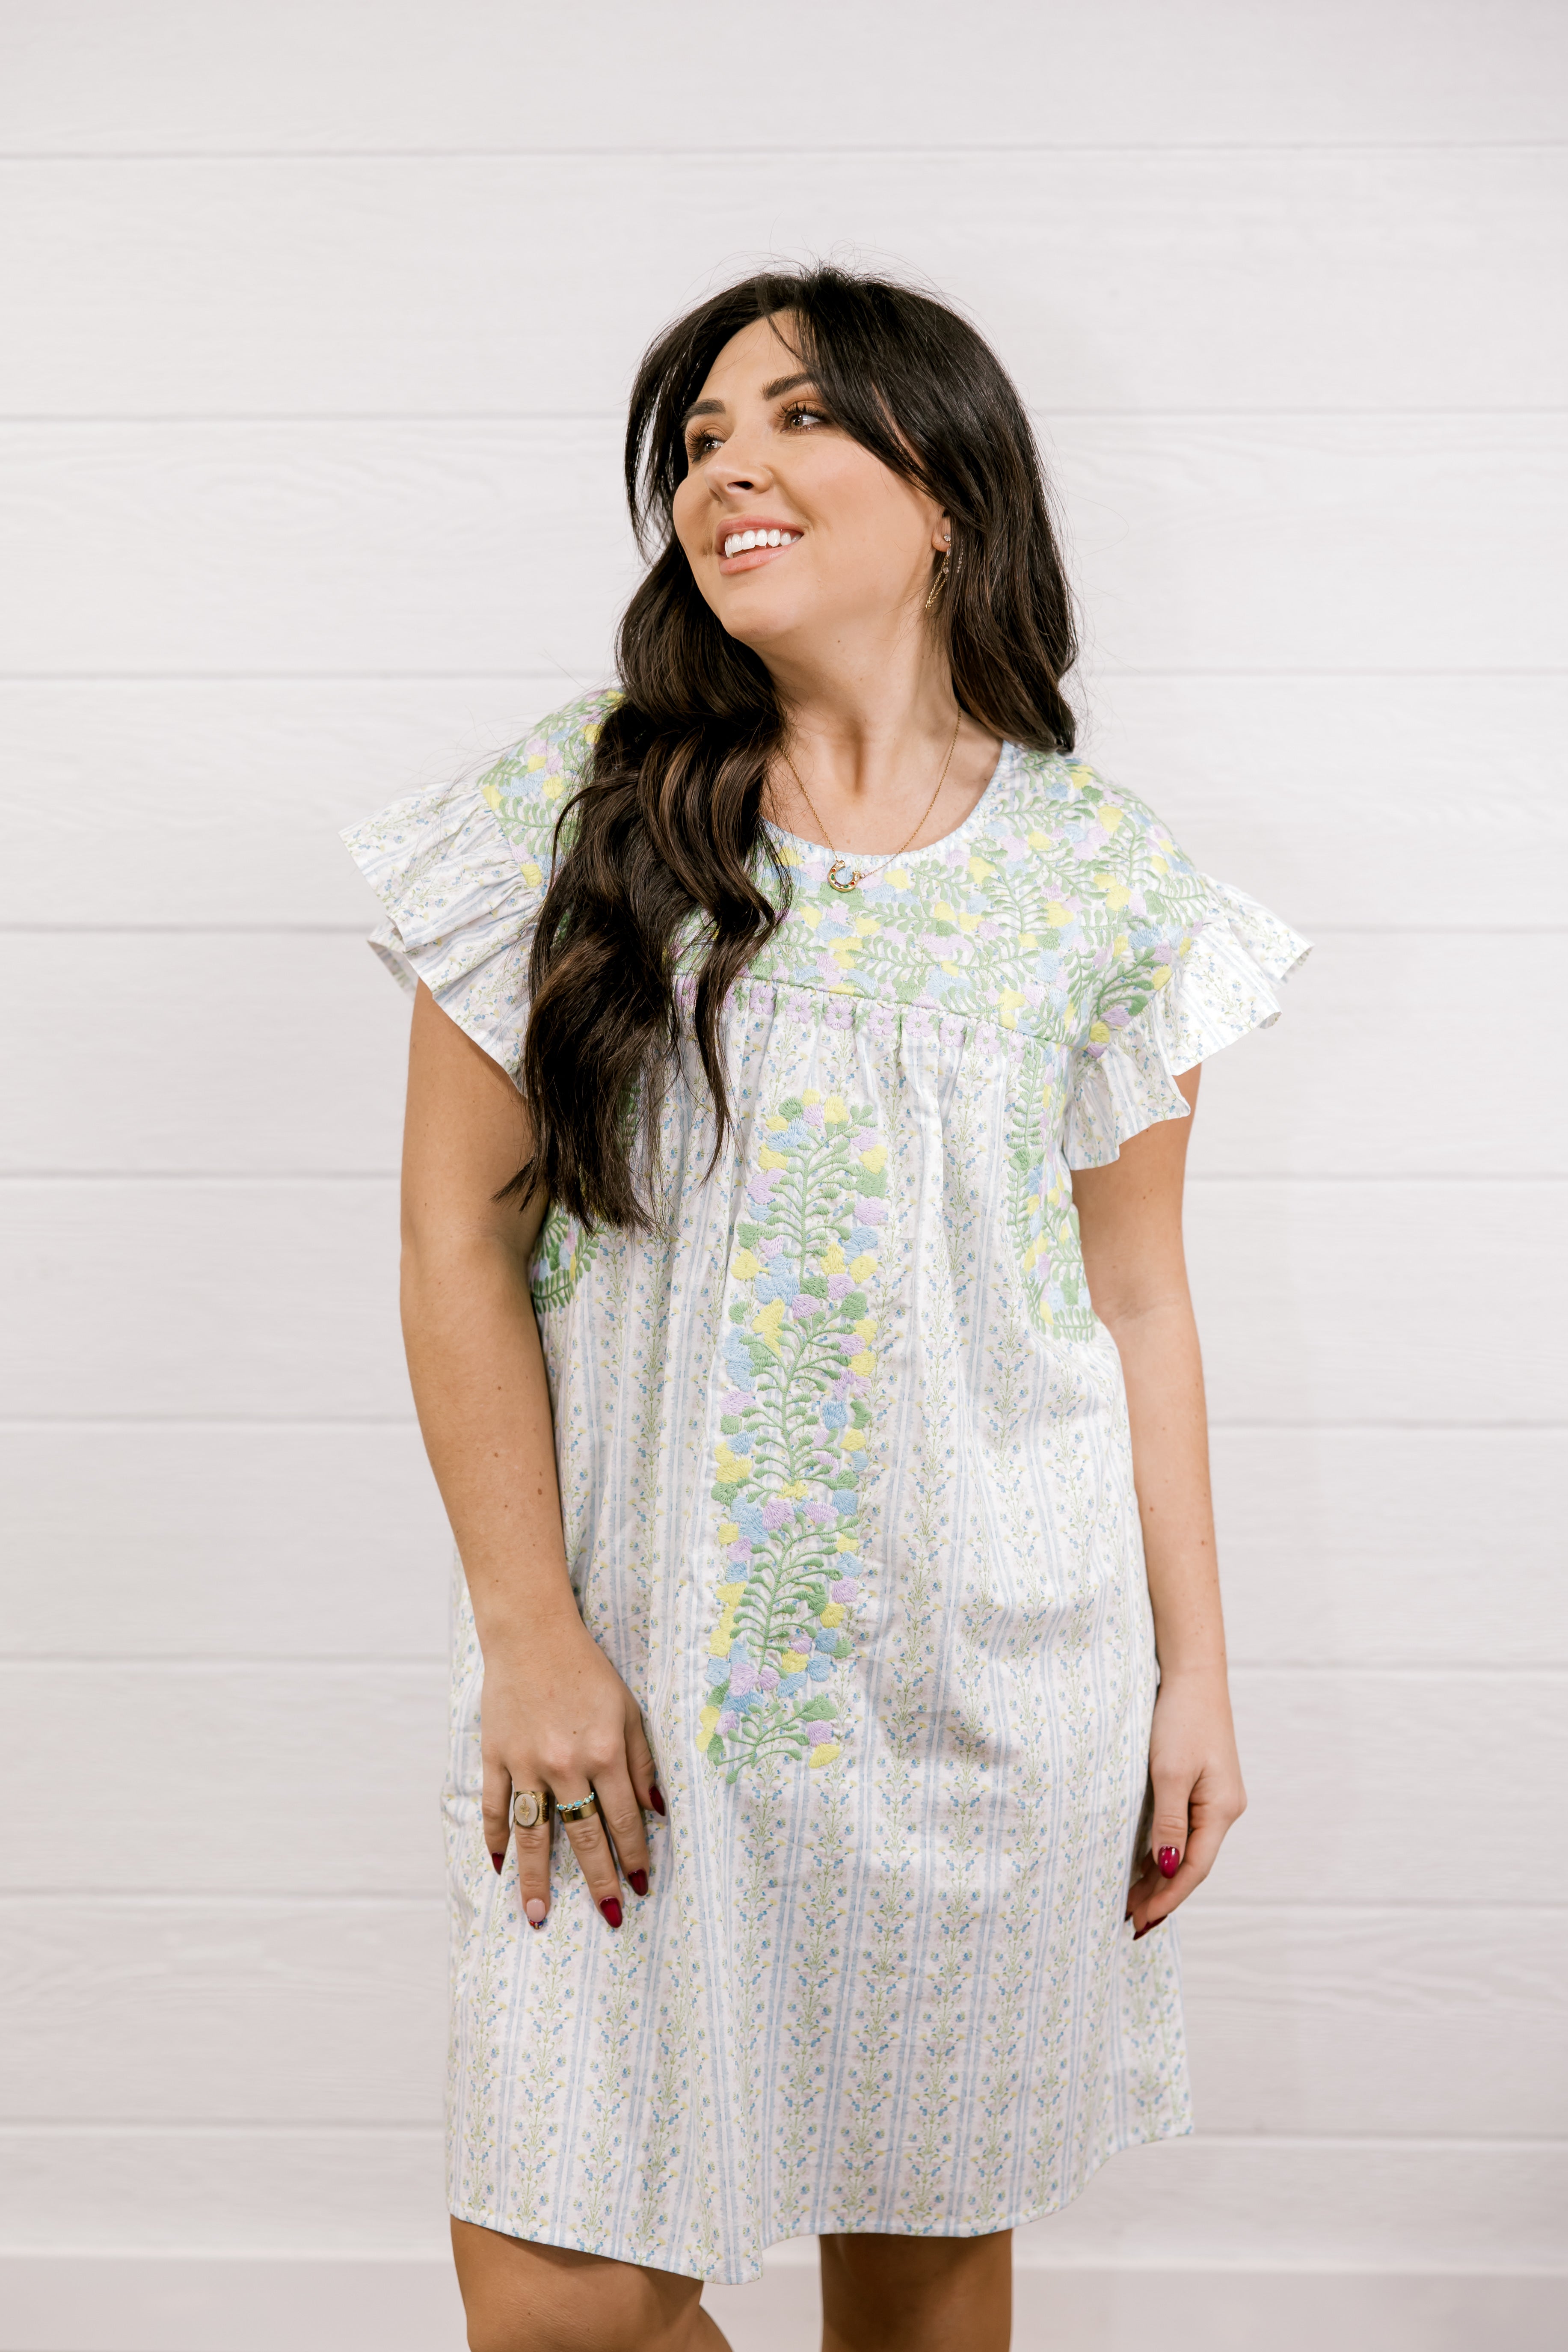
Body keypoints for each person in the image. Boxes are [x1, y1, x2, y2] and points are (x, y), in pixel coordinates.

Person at [344, 265, 1307, 2352]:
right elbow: (449, 1250)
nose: (729, 473)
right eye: (696, 439)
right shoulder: (569, 813)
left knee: (922, 2287)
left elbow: (1135, 1302)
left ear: (945, 485)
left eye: (793, 420)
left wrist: (1194, 1680)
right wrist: (530, 1632)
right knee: (561, 2305)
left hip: (988, 1699)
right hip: (630, 1687)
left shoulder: (1106, 887)